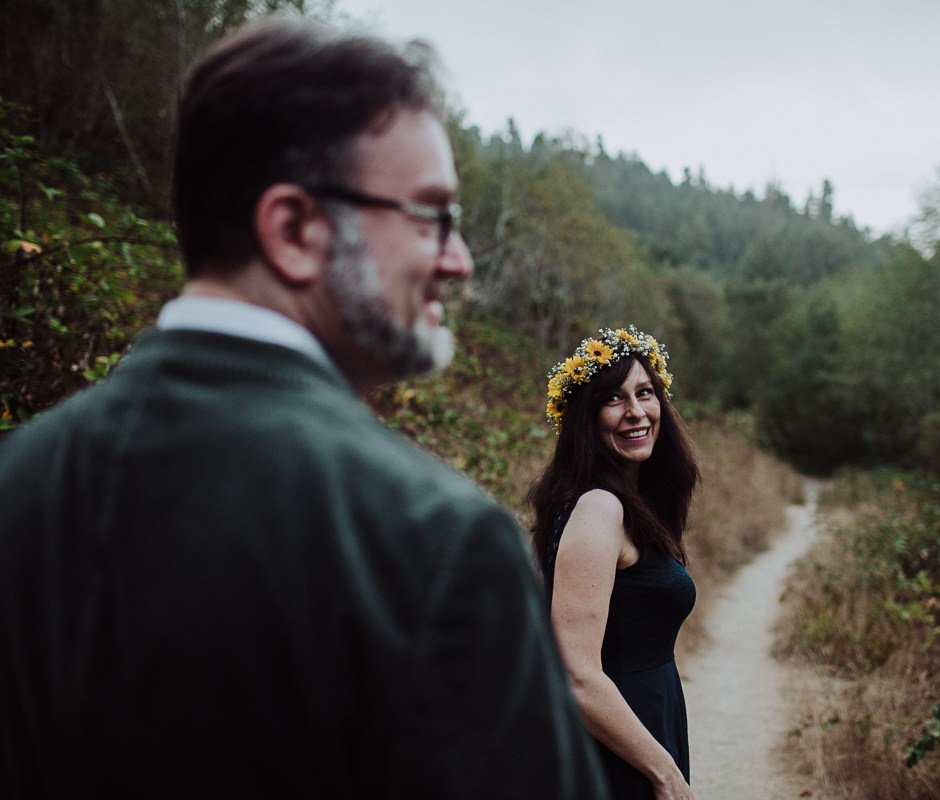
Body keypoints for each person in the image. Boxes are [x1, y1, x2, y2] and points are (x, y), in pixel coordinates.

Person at [0, 16, 605, 799]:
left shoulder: (16, 479)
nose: (458, 260)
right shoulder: (434, 539)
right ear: (293, 229)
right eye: (429, 214)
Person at [529, 325, 702, 800]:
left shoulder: (614, 504)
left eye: (645, 393)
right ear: (586, 417)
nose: (636, 412)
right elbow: (576, 672)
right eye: (614, 399)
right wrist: (663, 772)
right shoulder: (599, 509)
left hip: (637, 729)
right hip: (619, 750)